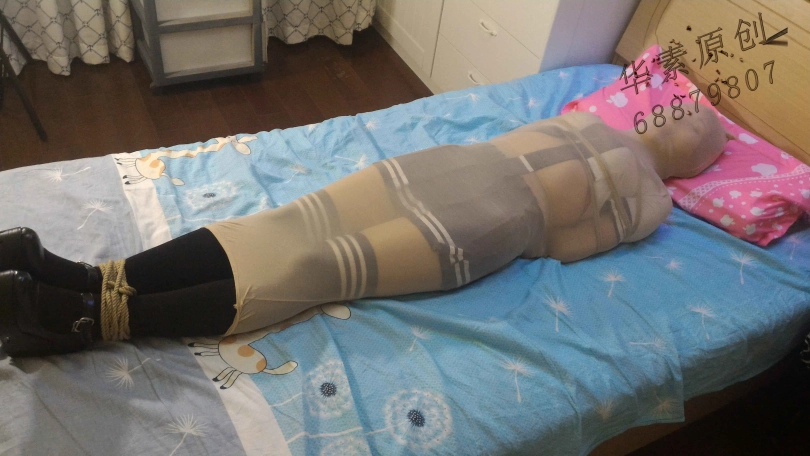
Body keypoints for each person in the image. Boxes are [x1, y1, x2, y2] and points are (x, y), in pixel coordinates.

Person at [0, 109, 730, 357]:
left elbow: (570, 242)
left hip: (491, 221)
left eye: (698, 127)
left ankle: (84, 319)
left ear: (700, 158)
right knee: (286, 224)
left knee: (320, 265)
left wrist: (546, 217)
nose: (682, 119)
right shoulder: (597, 124)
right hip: (457, 170)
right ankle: (87, 278)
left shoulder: (653, 201)